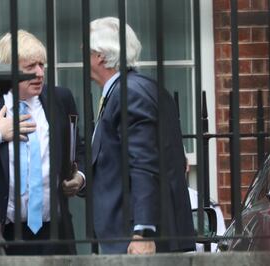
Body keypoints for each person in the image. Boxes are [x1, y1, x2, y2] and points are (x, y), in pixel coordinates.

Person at [88, 17, 195, 254]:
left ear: (100, 56)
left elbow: (144, 164)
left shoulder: (127, 93)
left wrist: (143, 231)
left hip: (134, 240)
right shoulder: (142, 87)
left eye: (87, 51)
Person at [0, 30, 84, 255]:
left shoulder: (61, 99)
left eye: (42, 65)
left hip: (55, 232)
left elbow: (79, 150)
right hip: (5, 233)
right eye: (30, 67)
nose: (40, 73)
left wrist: (80, 177)